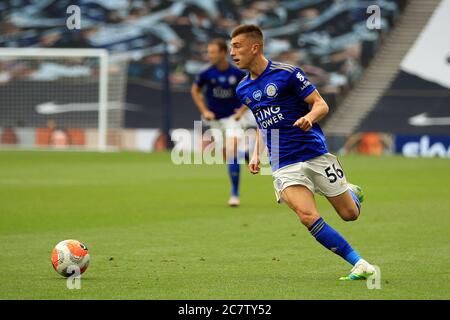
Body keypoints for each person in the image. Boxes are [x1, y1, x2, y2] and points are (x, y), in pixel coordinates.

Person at [230, 24, 376, 280]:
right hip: (283, 163)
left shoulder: (287, 74)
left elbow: (321, 104)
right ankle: (359, 263)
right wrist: (256, 153)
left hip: (313, 152)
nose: (232, 52)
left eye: (237, 46)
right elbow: (264, 124)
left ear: (255, 47)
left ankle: (351, 192)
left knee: (349, 214)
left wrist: (309, 117)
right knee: (307, 216)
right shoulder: (243, 89)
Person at [191, 38, 248, 207]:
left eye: (212, 52)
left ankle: (235, 194)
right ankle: (245, 154)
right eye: (208, 52)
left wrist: (242, 110)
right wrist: (204, 111)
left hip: (233, 118)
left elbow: (252, 90)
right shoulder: (206, 73)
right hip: (215, 120)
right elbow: (195, 90)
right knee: (227, 155)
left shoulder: (237, 73)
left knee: (231, 151)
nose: (209, 55)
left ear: (223, 53)